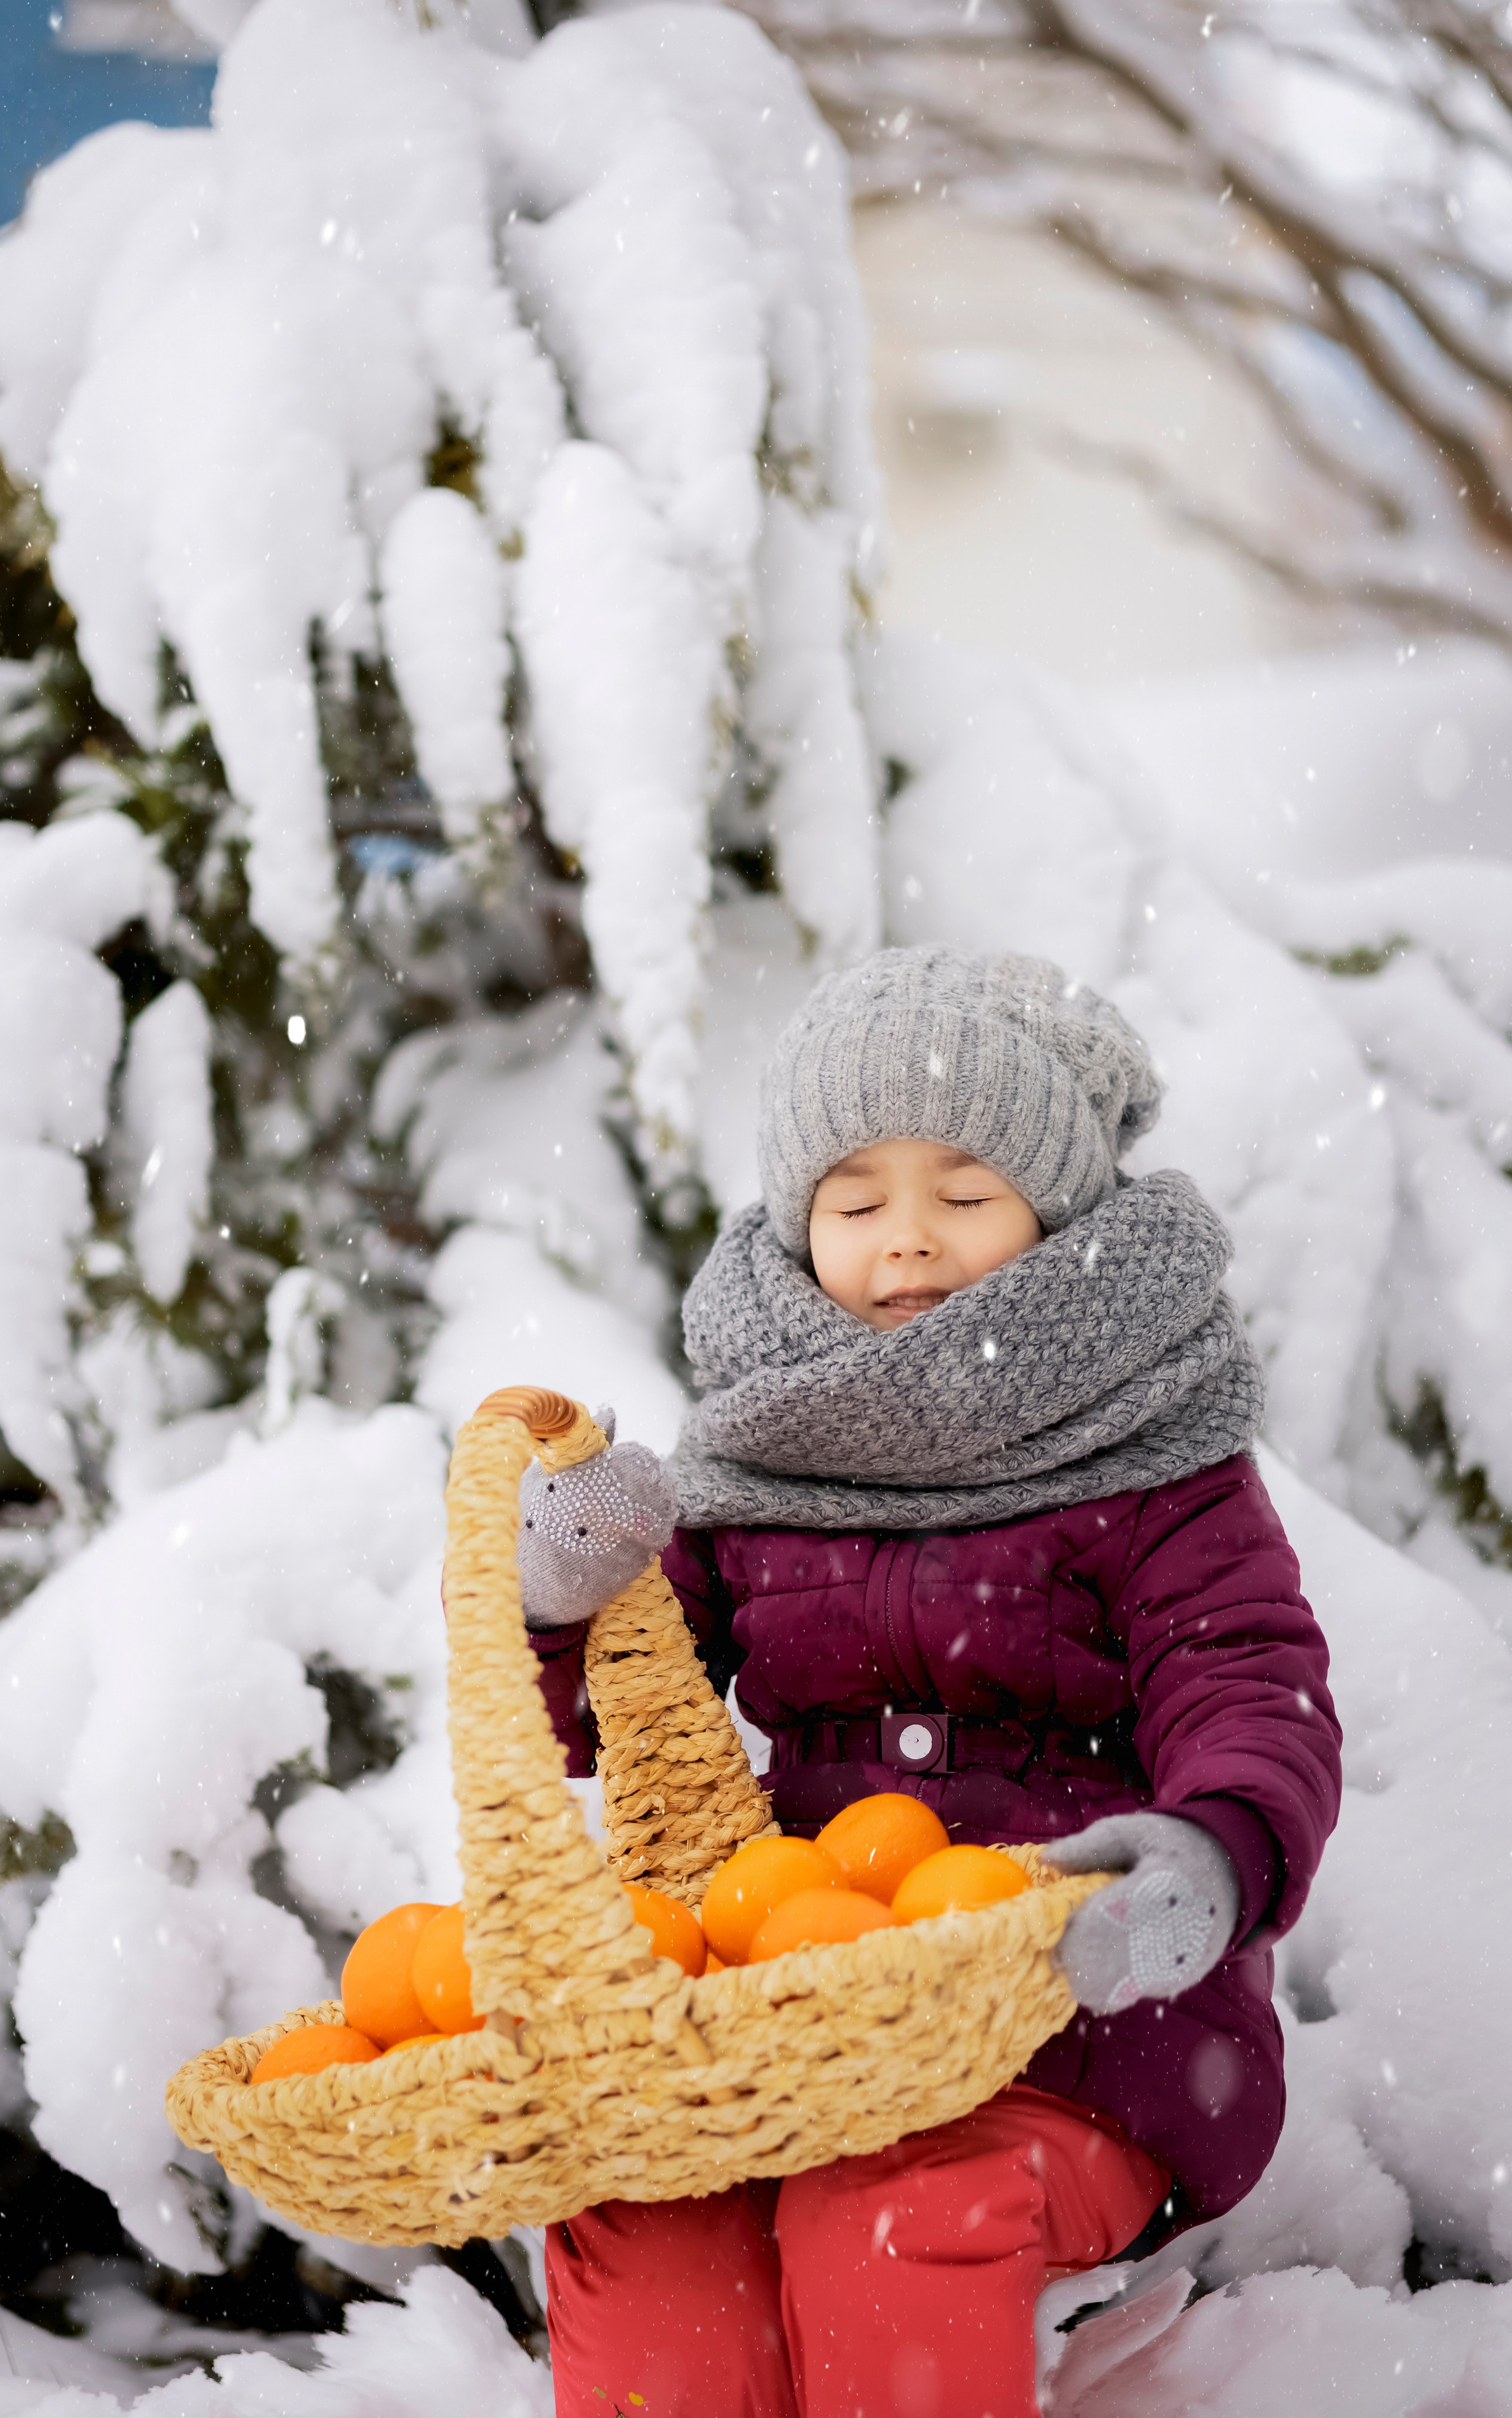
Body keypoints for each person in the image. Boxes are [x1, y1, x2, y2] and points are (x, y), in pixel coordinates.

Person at [517, 948, 1342, 2418]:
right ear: (797, 1226)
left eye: (963, 1196)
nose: (907, 1242)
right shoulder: (758, 1461)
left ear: (1052, 1217)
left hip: (1081, 2029)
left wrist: (1206, 1857)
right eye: (854, 1202)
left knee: (897, 2211)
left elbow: (1243, 1678)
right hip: (794, 2015)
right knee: (650, 2216)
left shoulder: (1149, 1458)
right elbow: (620, 1717)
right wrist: (570, 1605)